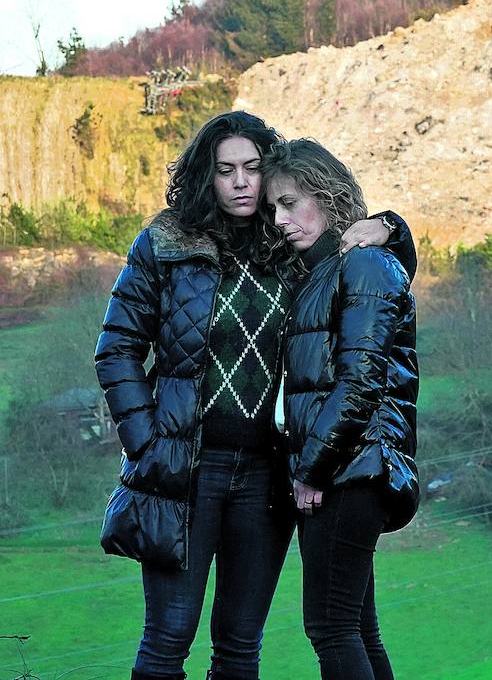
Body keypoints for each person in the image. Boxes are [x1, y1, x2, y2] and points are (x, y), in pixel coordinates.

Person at [95, 111, 412, 680]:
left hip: (267, 476)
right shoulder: (166, 243)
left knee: (240, 647)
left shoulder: (288, 243)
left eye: (252, 168)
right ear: (205, 176)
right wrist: (148, 444)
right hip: (186, 470)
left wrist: (391, 225)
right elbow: (116, 349)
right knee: (167, 641)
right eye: (224, 170)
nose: (240, 182)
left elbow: (373, 282)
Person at [261, 139, 419, 680]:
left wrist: (312, 469)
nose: (280, 219)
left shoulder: (365, 264)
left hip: (350, 470)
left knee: (330, 627)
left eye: (289, 202)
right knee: (354, 627)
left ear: (327, 195)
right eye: (272, 208)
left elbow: (362, 379)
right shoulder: (322, 272)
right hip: (346, 468)